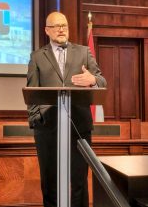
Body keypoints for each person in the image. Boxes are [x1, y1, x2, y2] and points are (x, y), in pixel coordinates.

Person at [27, 11, 107, 207]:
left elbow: (102, 81)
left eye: (65, 25)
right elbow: (31, 92)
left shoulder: (83, 52)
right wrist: (38, 119)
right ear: (47, 30)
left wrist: (93, 80)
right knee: (49, 182)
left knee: (79, 181)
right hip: (48, 129)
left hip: (79, 127)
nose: (62, 29)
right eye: (56, 26)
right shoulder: (37, 57)